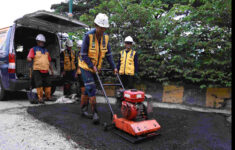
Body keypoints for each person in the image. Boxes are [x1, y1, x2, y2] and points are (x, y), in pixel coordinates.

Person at [79, 13, 118, 124]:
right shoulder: (88, 36)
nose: (102, 30)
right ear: (96, 25)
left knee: (88, 88)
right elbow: (83, 54)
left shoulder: (105, 37)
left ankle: (83, 109)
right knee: (91, 88)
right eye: (101, 27)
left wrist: (114, 67)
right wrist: (92, 66)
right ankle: (95, 112)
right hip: (86, 66)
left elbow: (108, 54)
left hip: (96, 67)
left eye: (104, 28)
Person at [27, 34, 54, 104]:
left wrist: (51, 70)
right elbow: (29, 57)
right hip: (37, 70)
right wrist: (29, 58)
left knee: (48, 83)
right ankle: (40, 98)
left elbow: (49, 61)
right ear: (37, 42)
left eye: (43, 42)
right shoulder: (33, 49)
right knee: (39, 84)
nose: (42, 43)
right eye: (40, 42)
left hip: (46, 69)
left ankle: (48, 96)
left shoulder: (46, 51)